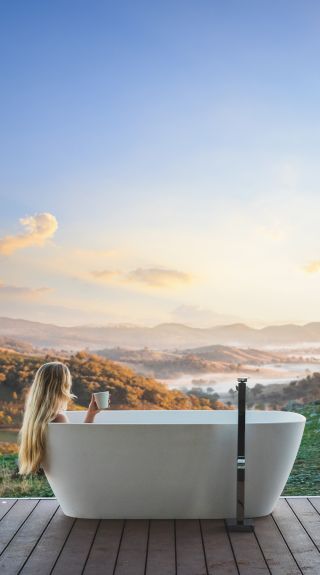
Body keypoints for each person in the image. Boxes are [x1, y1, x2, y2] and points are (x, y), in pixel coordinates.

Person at [18, 361, 100, 475]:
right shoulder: (58, 417)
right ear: (63, 386)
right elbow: (79, 448)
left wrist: (91, 414)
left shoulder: (35, 416)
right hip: (70, 474)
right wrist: (91, 415)